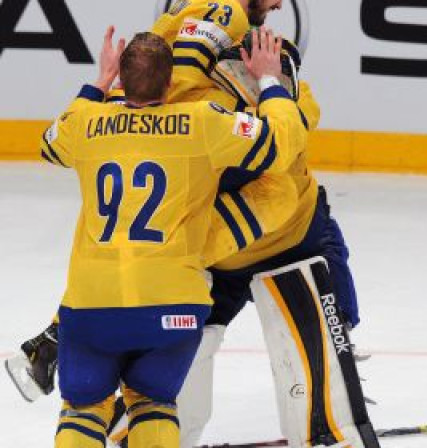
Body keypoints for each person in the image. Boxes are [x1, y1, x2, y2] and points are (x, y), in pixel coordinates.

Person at [45, 26, 305, 448]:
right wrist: (269, 80)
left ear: (121, 79)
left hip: (92, 305)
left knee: (83, 410)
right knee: (154, 403)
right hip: (174, 307)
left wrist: (98, 82)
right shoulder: (203, 121)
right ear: (171, 82)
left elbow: (50, 145)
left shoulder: (87, 123)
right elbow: (283, 144)